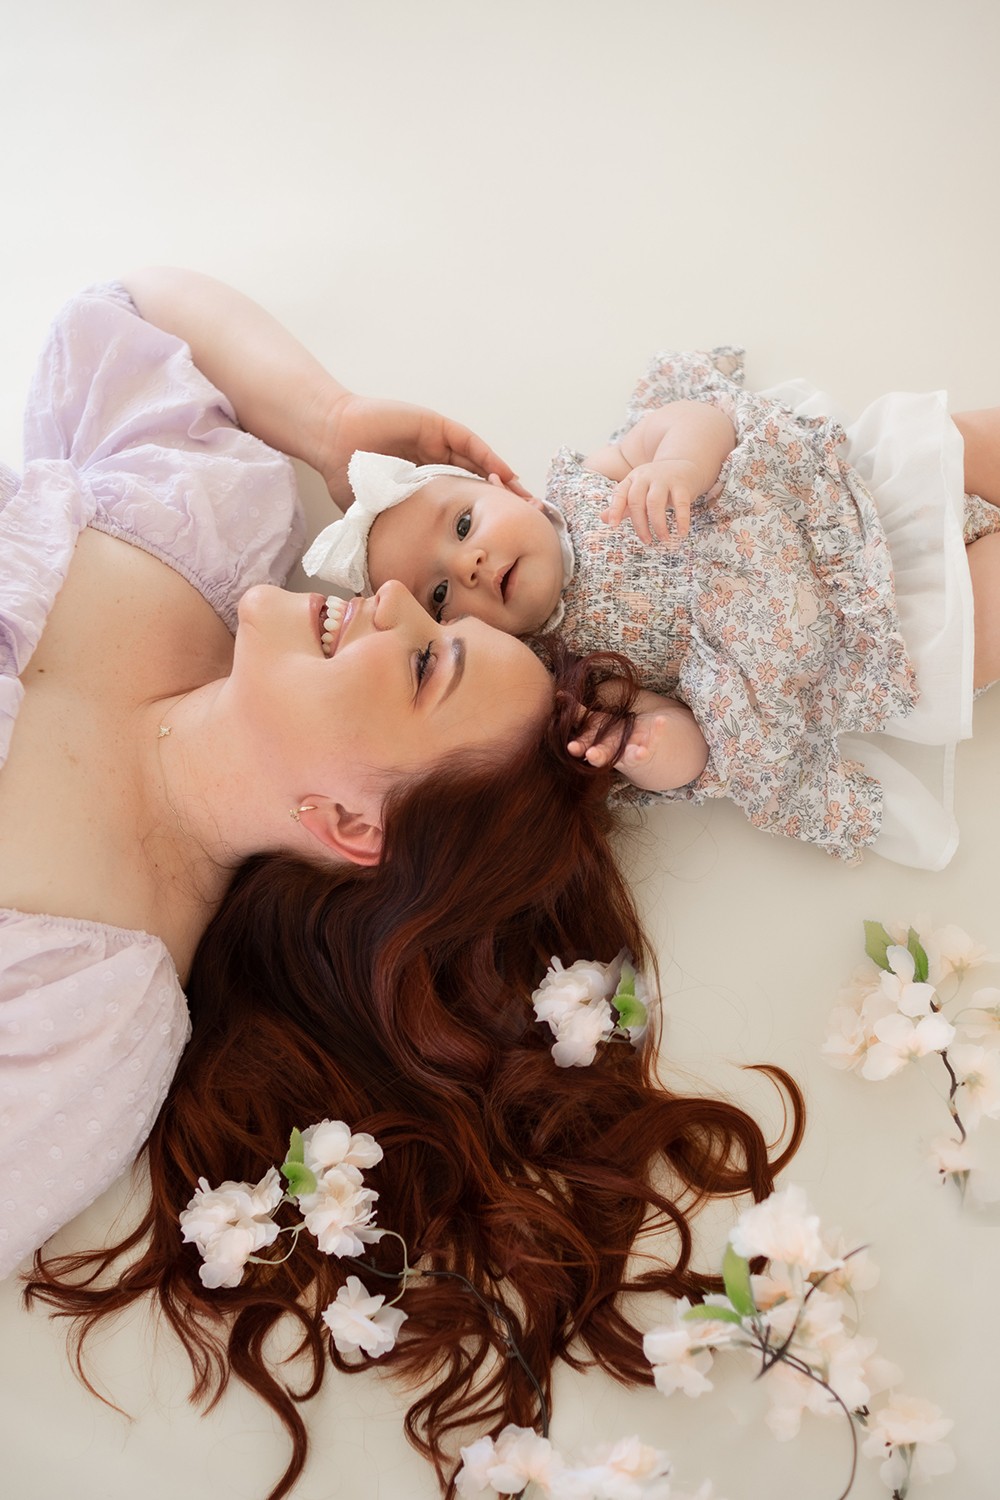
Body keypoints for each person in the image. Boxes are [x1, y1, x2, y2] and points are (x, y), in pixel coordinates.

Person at [9, 275, 805, 1500]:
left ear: (347, 824)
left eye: (423, 659)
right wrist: (327, 419)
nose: (381, 597)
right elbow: (122, 311)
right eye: (430, 612)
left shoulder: (92, 1005)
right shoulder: (210, 524)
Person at [304, 351, 1000, 869]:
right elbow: (698, 749)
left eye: (462, 526)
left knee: (948, 444)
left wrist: (680, 466)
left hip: (846, 506)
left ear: (508, 490)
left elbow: (693, 421)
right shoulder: (573, 674)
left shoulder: (592, 484)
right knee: (973, 625)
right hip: (876, 640)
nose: (470, 564)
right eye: (440, 595)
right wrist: (646, 748)